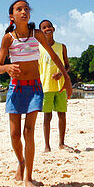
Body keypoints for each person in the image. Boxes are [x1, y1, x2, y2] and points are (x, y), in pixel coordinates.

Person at [0, 0, 73, 187]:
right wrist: (7, 68)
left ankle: (28, 177)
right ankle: (21, 163)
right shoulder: (8, 38)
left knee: (28, 131)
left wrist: (67, 79)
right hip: (16, 88)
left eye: (26, 9)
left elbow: (54, 56)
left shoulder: (36, 34)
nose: (24, 12)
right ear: (12, 16)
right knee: (14, 134)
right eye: (19, 9)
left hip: (34, 88)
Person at [37, 19, 73, 152]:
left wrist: (61, 74)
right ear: (40, 32)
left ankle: (62, 143)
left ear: (53, 29)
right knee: (47, 116)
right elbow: (37, 68)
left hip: (60, 86)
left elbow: (67, 66)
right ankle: (47, 145)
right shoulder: (38, 48)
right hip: (45, 86)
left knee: (62, 114)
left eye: (49, 26)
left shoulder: (62, 46)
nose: (47, 29)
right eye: (44, 28)